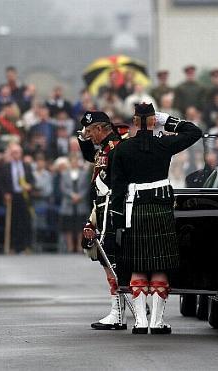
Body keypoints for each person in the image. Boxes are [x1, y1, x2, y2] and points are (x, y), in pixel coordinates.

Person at [110, 102, 202, 334]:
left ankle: (140, 321)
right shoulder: (164, 143)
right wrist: (168, 120)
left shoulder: (123, 149)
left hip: (135, 209)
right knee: (160, 264)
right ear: (153, 121)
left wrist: (117, 222)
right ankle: (157, 322)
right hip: (161, 208)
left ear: (133, 121)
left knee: (138, 265)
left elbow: (117, 188)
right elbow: (194, 132)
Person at [78, 110, 126, 330]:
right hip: (102, 208)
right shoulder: (105, 148)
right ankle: (118, 310)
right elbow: (92, 158)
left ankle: (118, 313)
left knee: (111, 260)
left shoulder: (116, 147)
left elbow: (115, 185)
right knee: (106, 260)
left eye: (90, 132)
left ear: (99, 128)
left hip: (111, 209)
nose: (89, 136)